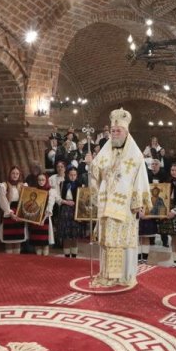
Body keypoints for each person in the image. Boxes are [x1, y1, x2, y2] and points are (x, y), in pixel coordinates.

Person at [89, 108, 150, 288]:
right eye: (113, 131)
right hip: (107, 206)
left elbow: (141, 179)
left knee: (123, 243)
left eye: (118, 131)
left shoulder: (135, 154)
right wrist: (90, 165)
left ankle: (125, 276)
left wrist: (138, 203)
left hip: (125, 208)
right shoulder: (105, 152)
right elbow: (95, 175)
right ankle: (108, 275)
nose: (115, 134)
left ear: (126, 132)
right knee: (108, 241)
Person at [55, 165, 87, 258]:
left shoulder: (80, 185)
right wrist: (65, 202)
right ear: (67, 175)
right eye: (71, 175)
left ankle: (74, 256)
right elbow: (57, 198)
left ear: (77, 175)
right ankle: (66, 256)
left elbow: (83, 199)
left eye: (74, 175)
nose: (73, 176)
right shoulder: (62, 184)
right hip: (65, 210)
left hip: (76, 210)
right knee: (66, 235)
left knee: (74, 234)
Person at [138, 157, 163, 262]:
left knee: (146, 236)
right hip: (137, 208)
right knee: (137, 236)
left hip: (149, 209)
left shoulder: (150, 176)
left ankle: (145, 258)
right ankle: (138, 258)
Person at [0, 165, 27, 254]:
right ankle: (9, 262)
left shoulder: (23, 185)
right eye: (13, 173)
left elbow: (25, 200)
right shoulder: (4, 185)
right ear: (10, 174)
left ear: (19, 175)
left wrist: (21, 213)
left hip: (19, 213)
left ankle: (17, 262)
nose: (15, 175)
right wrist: (10, 213)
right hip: (9, 212)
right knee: (9, 239)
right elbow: (3, 201)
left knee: (18, 239)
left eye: (17, 173)